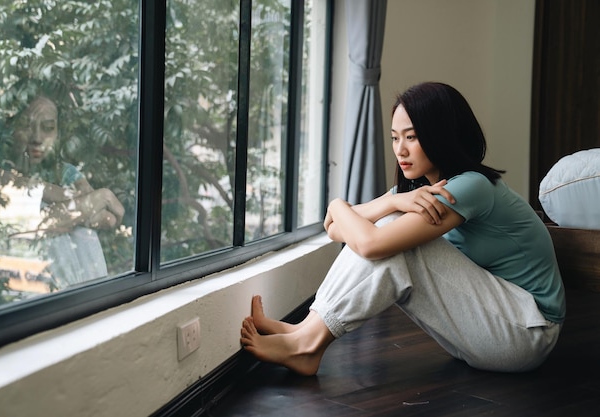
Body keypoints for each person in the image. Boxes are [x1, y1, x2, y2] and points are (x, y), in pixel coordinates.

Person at [240, 82, 566, 376]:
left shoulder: (471, 187)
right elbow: (335, 229)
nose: (400, 150)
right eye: (395, 138)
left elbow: (364, 240)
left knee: (388, 236)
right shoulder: (419, 192)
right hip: (486, 328)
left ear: (442, 134)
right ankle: (305, 332)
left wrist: (338, 203)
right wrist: (391, 202)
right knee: (385, 226)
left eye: (411, 136)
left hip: (527, 333)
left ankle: (307, 344)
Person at [0, 95, 125, 286]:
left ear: (59, 133)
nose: (37, 138)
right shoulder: (1, 172)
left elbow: (110, 217)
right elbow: (39, 222)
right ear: (13, 129)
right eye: (27, 126)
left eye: (48, 128)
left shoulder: (66, 172)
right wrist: (95, 200)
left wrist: (73, 210)